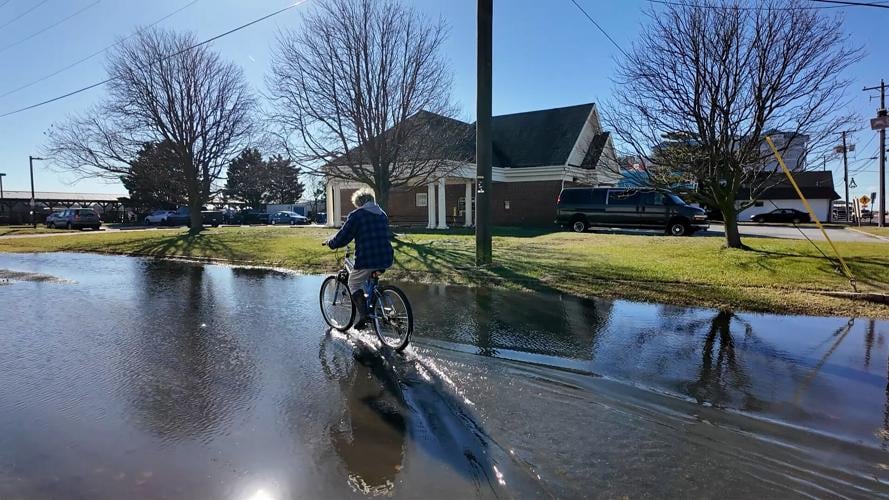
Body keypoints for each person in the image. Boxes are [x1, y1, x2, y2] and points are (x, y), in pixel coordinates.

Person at [325, 188, 394, 329]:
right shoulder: (382, 214)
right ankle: (374, 303)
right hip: (386, 257)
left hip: (368, 258)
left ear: (359, 203)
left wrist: (331, 243)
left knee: (353, 284)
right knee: (370, 279)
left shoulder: (357, 215)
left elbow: (343, 236)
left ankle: (364, 317)